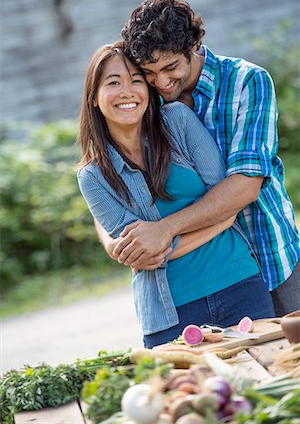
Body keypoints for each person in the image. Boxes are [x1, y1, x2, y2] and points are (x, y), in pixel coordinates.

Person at [95, 0, 300, 317]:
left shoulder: (246, 81)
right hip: (206, 276)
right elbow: (107, 179)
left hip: (271, 255)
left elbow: (246, 184)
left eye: (171, 67)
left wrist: (165, 229)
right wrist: (117, 244)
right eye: (149, 71)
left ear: (193, 45)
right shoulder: (144, 99)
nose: (161, 82)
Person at [77, 42, 275, 348]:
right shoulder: (92, 178)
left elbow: (228, 198)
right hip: (169, 313)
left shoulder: (178, 121)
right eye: (113, 83)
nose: (127, 91)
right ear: (93, 98)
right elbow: (141, 254)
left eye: (136, 80)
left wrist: (163, 234)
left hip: (238, 284)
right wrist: (219, 221)